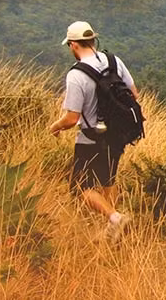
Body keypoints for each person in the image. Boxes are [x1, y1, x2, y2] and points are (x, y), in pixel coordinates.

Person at [49, 20, 138, 240]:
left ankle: (115, 218)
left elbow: (71, 118)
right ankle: (112, 230)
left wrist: (55, 126)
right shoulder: (114, 61)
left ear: (73, 45)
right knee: (109, 179)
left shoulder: (76, 75)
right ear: (92, 40)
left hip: (90, 138)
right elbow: (134, 94)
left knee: (80, 186)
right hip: (117, 135)